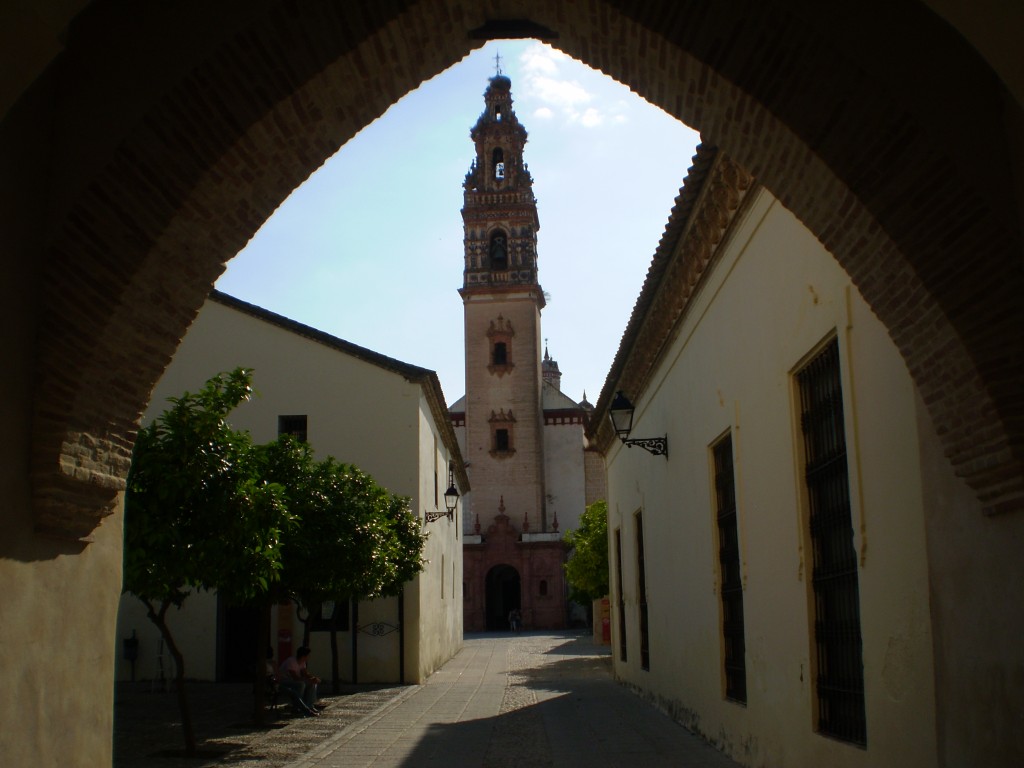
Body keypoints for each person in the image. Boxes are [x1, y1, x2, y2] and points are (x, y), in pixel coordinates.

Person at [278, 646, 322, 716]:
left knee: (312, 683)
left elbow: (305, 673)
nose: (309, 657)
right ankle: (297, 707)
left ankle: (309, 705)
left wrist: (314, 678)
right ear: (304, 655)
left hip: (294, 681)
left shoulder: (302, 662)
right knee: (301, 684)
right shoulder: (291, 661)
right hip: (285, 681)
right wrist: (308, 680)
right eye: (308, 655)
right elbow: (295, 677)